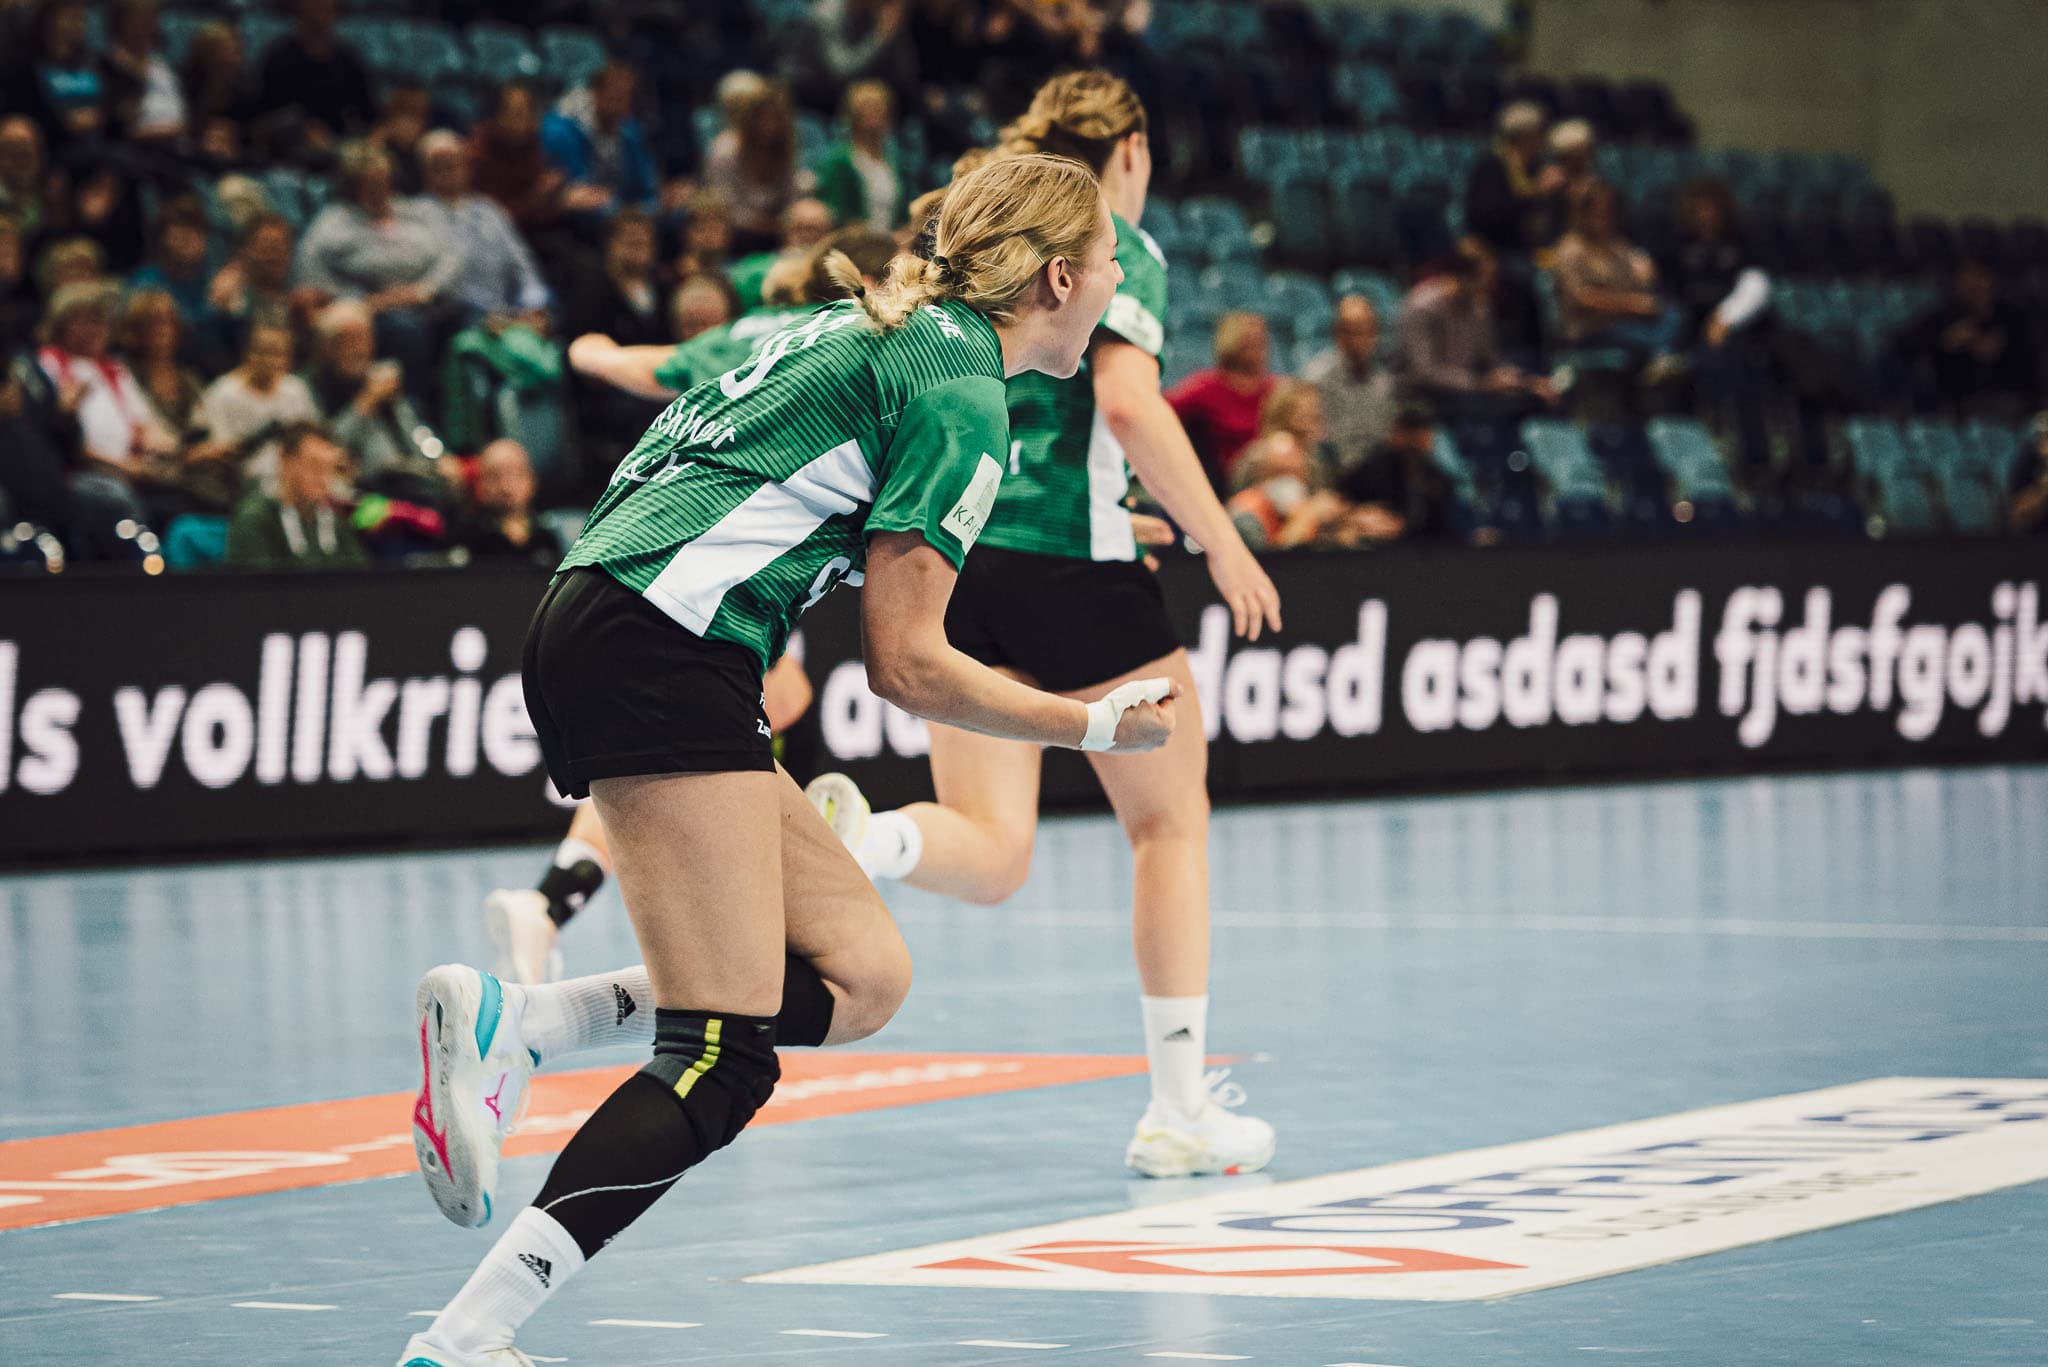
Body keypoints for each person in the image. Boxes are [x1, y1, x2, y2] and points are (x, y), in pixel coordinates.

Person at [395, 151, 1160, 1367]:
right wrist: (1092, 723)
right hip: (660, 642)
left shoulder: (873, 327)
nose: (1120, 286)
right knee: (719, 1056)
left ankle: (523, 1017)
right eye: (1113, 264)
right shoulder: (963, 393)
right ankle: (461, 1339)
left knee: (863, 974)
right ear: (1059, 279)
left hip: (628, 616)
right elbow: (907, 663)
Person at [806, 71, 1282, 1180]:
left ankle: (868, 841)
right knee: (1168, 827)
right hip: (1075, 562)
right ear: (1132, 147)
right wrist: (1219, 538)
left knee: (995, 848)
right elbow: (1125, 400)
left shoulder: (979, 219)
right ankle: (1177, 1110)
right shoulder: (1107, 238)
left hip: (964, 548)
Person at [295, 140, 462, 407]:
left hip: (429, 300)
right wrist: (366, 302)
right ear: (353, 187)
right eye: (371, 184)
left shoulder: (415, 211)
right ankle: (411, 411)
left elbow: (452, 255)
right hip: (375, 312)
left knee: (469, 326)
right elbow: (312, 275)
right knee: (406, 331)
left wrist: (426, 288)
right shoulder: (333, 224)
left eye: (384, 181)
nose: (381, 190)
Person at [1399, 239, 1558, 419]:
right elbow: (1425, 374)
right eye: (1486, 277)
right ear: (1462, 276)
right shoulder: (1421, 308)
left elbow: (1491, 361)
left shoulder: (1479, 306)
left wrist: (1527, 383)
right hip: (1421, 398)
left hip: (1466, 392)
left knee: (1537, 397)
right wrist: (1481, 383)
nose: (1491, 285)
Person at [417, 130, 552, 330]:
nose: (447, 171)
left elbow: (522, 266)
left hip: (507, 314)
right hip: (455, 318)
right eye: (438, 165)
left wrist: (534, 305)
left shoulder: (489, 210)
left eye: (453, 163)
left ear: (466, 166)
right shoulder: (415, 214)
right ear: (425, 172)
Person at [1553, 182, 1685, 380]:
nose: (1603, 219)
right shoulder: (1571, 249)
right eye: (1596, 212)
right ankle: (1662, 359)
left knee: (1674, 313)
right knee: (1645, 338)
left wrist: (1647, 274)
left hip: (1628, 321)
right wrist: (1631, 304)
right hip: (1592, 329)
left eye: (1608, 212)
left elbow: (1642, 282)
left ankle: (1661, 361)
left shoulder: (1618, 246)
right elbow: (1581, 299)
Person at [1897, 258, 2041, 420]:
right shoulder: (1945, 315)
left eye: (1980, 277)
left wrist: (2002, 349)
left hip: (2008, 399)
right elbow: (1903, 343)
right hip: (1957, 401)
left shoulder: (2012, 317)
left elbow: (2030, 359)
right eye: (1968, 278)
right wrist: (1946, 341)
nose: (1974, 285)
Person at [188, 318, 321, 485]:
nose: (270, 360)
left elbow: (313, 439)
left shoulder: (296, 389)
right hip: (244, 482)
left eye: (279, 353)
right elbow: (219, 451)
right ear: (248, 353)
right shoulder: (223, 393)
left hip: (297, 479)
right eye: (264, 352)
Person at [223, 420, 366, 569]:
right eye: (314, 465)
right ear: (284, 459)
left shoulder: (335, 519)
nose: (324, 479)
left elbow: (360, 576)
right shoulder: (253, 519)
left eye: (330, 468)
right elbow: (258, 582)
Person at [253, 0, 376, 164]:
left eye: (325, 9)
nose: (318, 18)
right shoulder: (277, 59)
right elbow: (260, 120)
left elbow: (368, 114)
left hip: (336, 148)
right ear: (300, 11)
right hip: (285, 151)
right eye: (312, 9)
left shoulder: (348, 61)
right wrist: (301, 131)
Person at [702, 79, 816, 254]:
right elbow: (724, 207)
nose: (769, 125)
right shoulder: (725, 151)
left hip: (777, 230)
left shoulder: (784, 151)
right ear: (748, 119)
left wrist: (786, 221)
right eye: (762, 117)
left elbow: (791, 197)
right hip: (737, 233)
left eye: (775, 118)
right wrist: (768, 225)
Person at [1167, 311, 1276, 489]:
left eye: (1261, 343)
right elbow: (1163, 412)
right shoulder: (1206, 387)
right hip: (1221, 482)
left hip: (1271, 478)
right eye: (1249, 345)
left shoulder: (1276, 390)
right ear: (1230, 344)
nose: (1257, 351)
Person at [540, 62, 660, 218]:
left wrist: (648, 207)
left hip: (622, 209)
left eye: (626, 98)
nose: (620, 105)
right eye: (615, 96)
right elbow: (577, 187)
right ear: (595, 93)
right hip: (579, 212)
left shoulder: (630, 132)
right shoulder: (560, 130)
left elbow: (648, 189)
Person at [1335, 402, 1460, 542]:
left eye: (1421, 430)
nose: (1415, 439)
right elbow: (1338, 501)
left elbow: (1444, 529)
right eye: (1409, 430)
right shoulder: (1371, 471)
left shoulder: (1439, 479)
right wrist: (1357, 516)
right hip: (1375, 547)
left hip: (1422, 550)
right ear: (1396, 433)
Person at [1300, 295, 1397, 471]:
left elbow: (1386, 435)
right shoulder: (1315, 378)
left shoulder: (1384, 381)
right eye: (1349, 332)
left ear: (1374, 336)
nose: (1356, 340)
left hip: (1375, 469)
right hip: (1330, 467)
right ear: (1337, 335)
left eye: (1363, 332)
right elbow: (1312, 436)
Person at [814, 81, 906, 233]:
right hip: (853, 240)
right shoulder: (837, 161)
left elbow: (905, 210)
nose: (874, 117)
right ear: (853, 117)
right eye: (867, 110)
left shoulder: (897, 160)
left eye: (879, 110)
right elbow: (833, 212)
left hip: (893, 240)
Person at [457, 439, 561, 564]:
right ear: (481, 484)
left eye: (514, 474)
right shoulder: (470, 540)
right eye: (494, 476)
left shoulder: (547, 537)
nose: (505, 487)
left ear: (531, 479)